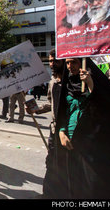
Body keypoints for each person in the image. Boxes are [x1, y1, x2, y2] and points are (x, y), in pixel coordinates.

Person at [56, 57, 110, 198]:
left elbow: (102, 106)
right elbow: (64, 111)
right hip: (70, 140)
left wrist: (90, 84)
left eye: (74, 62)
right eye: (67, 63)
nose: (70, 66)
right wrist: (61, 132)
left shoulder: (95, 81)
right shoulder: (67, 84)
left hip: (91, 140)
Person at [29, 49, 66, 198]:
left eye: (55, 61)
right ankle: (48, 194)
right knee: (51, 162)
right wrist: (36, 109)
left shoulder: (72, 82)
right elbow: (50, 104)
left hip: (70, 131)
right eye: (50, 61)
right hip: (54, 130)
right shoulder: (52, 81)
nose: (52, 64)